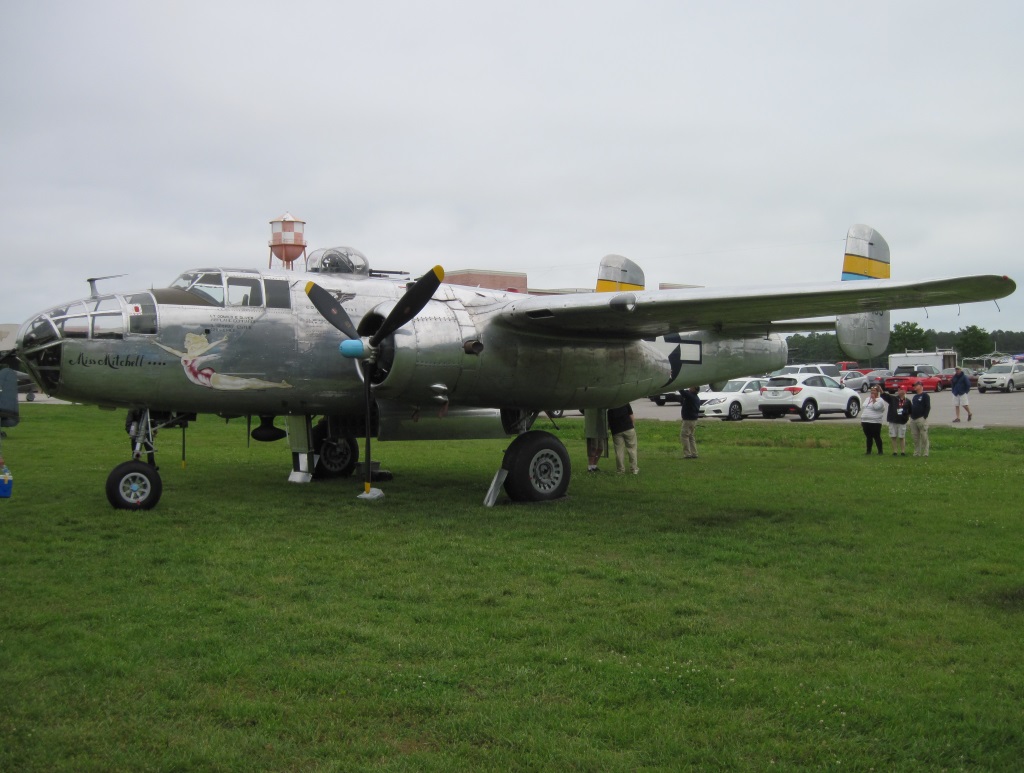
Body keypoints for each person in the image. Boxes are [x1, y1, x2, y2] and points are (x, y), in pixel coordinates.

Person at [607, 403, 639, 474]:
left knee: (619, 451)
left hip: (616, 431)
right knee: (632, 449)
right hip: (628, 428)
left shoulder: (610, 408)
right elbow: (631, 416)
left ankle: (620, 470)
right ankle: (634, 469)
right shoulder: (625, 403)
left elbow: (608, 423)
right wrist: (633, 426)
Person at [880, 385, 912, 455]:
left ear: (905, 391)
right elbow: (885, 396)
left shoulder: (908, 401)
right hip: (893, 420)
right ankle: (895, 451)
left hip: (902, 421)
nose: (900, 391)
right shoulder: (893, 398)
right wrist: (881, 390)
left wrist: (906, 417)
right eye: (899, 389)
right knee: (893, 436)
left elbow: (910, 411)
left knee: (902, 436)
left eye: (902, 389)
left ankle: (903, 451)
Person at [860, 385, 886, 454]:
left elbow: (876, 407)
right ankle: (868, 451)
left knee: (876, 436)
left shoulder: (880, 400)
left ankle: (880, 451)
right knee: (868, 437)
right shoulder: (867, 399)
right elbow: (864, 408)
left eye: (874, 391)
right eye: (871, 391)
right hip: (866, 421)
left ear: (877, 392)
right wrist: (862, 419)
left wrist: (874, 399)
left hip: (875, 422)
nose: (872, 392)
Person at [909, 381, 931, 457]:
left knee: (924, 436)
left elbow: (928, 406)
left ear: (921, 386)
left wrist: (924, 416)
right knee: (915, 437)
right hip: (913, 419)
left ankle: (925, 452)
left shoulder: (925, 395)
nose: (914, 387)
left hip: (921, 418)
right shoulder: (915, 397)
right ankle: (917, 452)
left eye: (916, 385)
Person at [679, 386, 702, 459]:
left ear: (694, 389)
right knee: (691, 436)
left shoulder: (690, 396)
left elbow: (682, 392)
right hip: (694, 419)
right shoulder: (696, 397)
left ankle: (687, 454)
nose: (689, 388)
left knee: (684, 436)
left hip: (688, 420)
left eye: (691, 387)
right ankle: (694, 453)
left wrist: (680, 384)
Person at [584, 408, 608, 472]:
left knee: (600, 448)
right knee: (593, 447)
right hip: (592, 427)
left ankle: (594, 466)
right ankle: (590, 467)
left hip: (600, 427)